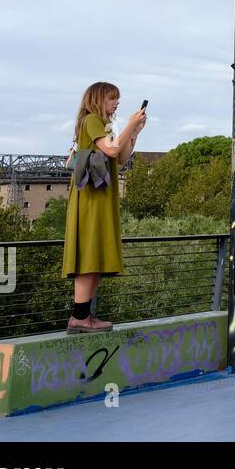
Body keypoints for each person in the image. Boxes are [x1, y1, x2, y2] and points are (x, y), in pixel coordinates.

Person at [63, 82, 145, 333]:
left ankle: (85, 315)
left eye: (117, 99)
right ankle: (79, 317)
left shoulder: (105, 124)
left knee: (96, 254)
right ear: (98, 99)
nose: (116, 103)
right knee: (89, 254)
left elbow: (120, 158)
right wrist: (129, 124)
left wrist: (134, 133)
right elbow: (110, 149)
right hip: (91, 198)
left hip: (100, 196)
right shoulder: (92, 120)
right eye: (112, 98)